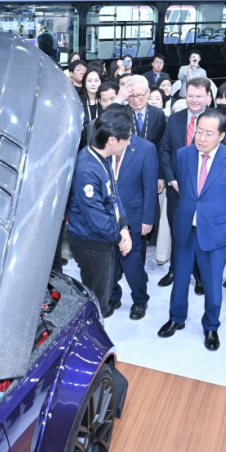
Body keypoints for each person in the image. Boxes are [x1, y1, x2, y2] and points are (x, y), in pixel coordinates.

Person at [159, 109, 226, 352]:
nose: (202, 138)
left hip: (213, 230)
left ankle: (211, 326)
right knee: (180, 279)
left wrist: (216, 214)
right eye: (199, 132)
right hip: (185, 227)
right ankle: (176, 318)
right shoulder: (184, 154)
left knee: (212, 284)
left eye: (209, 133)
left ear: (221, 135)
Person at [66, 105, 132, 312]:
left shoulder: (102, 158)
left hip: (105, 239)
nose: (129, 143)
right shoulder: (86, 169)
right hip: (91, 243)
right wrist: (119, 238)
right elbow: (96, 217)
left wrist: (123, 226)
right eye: (127, 138)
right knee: (96, 303)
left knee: (103, 294)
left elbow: (114, 195)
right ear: (112, 140)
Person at [158, 77, 212, 292]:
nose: (194, 100)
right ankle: (175, 270)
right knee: (178, 232)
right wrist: (171, 179)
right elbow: (164, 150)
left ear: (208, 96)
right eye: (190, 95)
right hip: (176, 190)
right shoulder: (174, 119)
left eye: (199, 96)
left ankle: (199, 275)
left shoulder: (215, 120)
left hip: (203, 194)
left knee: (199, 234)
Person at [108, 125, 158, 320]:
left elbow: (150, 187)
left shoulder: (146, 148)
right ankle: (113, 296)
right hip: (107, 216)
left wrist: (148, 219)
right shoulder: (105, 143)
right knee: (109, 261)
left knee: (131, 262)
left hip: (133, 215)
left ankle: (140, 299)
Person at [124, 75, 166, 178]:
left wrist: (161, 176)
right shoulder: (121, 112)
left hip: (152, 167)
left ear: (148, 93)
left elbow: (162, 146)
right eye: (131, 96)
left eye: (139, 95)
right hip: (127, 169)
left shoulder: (158, 114)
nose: (136, 100)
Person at [79, 69, 103, 148]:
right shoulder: (78, 101)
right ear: (84, 82)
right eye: (89, 81)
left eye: (96, 81)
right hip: (82, 146)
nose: (93, 84)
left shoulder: (105, 101)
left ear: (101, 82)